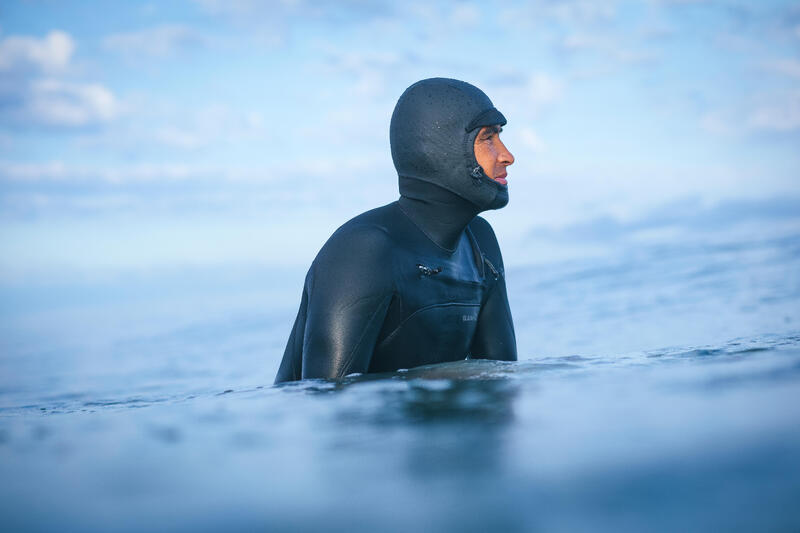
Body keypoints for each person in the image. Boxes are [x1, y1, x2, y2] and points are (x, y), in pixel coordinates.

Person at [274, 77, 517, 383]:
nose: (507, 155)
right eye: (487, 138)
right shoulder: (364, 252)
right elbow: (328, 408)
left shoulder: (481, 245)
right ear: (439, 148)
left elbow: (501, 382)